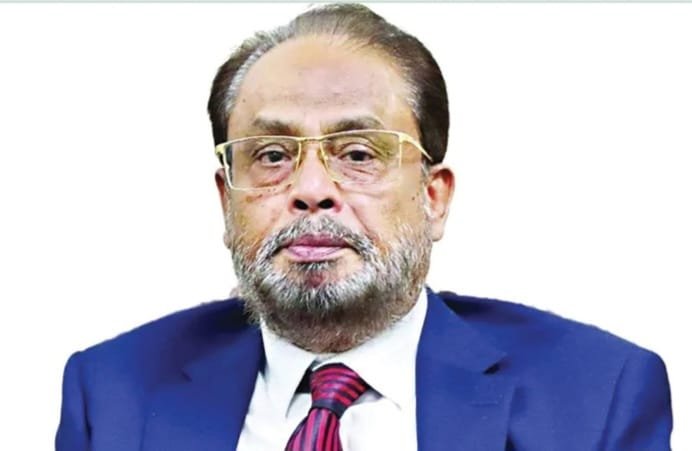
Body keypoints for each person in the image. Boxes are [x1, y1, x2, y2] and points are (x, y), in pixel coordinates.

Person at [55, 4, 672, 450]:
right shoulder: (112, 394)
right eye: (271, 155)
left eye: (357, 153)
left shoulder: (597, 398)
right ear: (226, 200)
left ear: (434, 198)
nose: (311, 189)